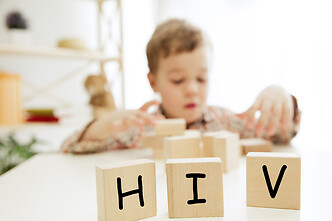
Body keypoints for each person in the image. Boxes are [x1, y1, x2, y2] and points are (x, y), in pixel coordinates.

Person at [61, 19, 301, 154]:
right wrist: (104, 125)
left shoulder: (225, 122)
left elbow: (282, 135)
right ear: (153, 82)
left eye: (201, 78)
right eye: (178, 80)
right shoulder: (140, 128)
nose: (192, 90)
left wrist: (281, 98)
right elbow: (70, 146)